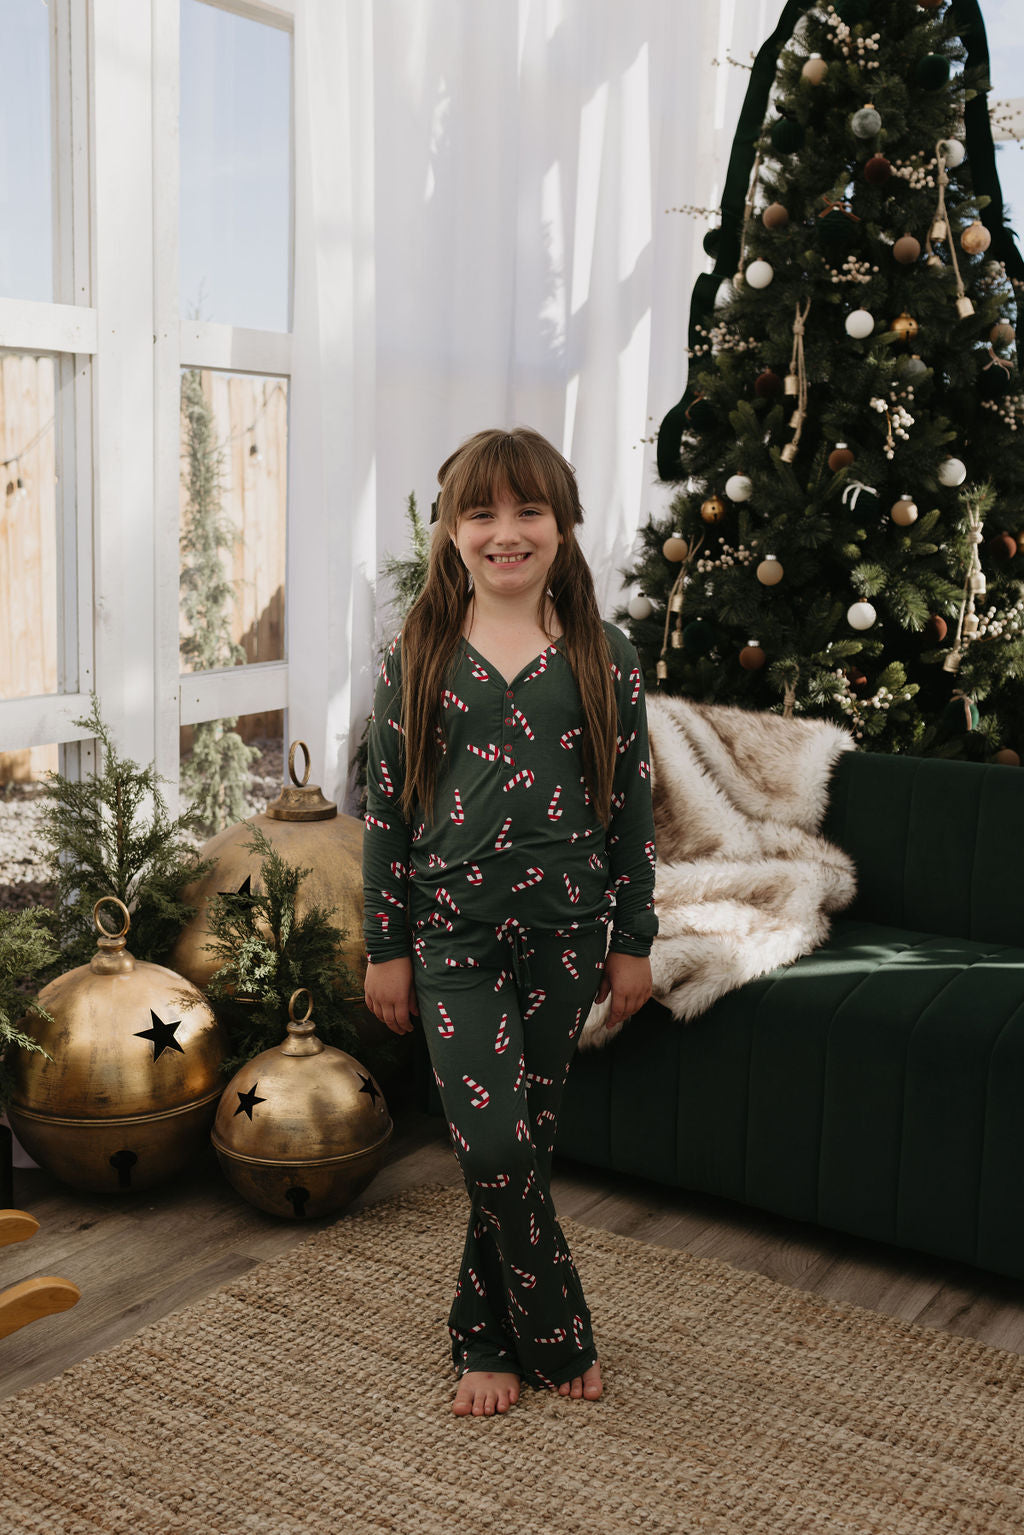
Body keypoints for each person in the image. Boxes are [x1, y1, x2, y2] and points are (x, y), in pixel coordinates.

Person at [362, 427, 657, 1418]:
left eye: (527, 510)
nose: (505, 532)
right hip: (451, 940)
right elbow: (385, 810)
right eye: (480, 512)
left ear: (563, 526)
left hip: (569, 934)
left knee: (523, 1139)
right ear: (450, 532)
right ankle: (558, 1326)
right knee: (490, 1145)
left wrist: (633, 937)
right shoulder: (418, 654)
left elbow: (632, 809)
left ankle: (484, 1334)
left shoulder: (604, 656)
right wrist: (385, 946)